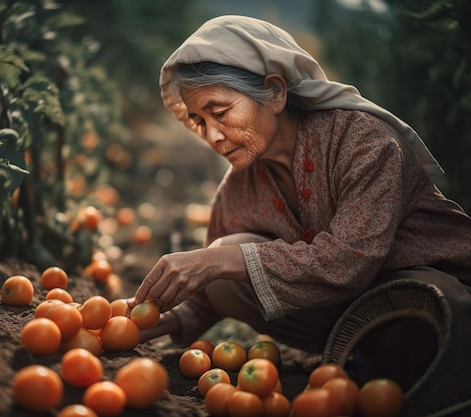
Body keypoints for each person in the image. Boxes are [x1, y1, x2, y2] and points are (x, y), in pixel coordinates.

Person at [127, 15, 471, 415]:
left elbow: (351, 259)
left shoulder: (362, 141)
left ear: (274, 92)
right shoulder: (243, 182)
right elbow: (215, 283)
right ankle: (363, 354)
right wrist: (169, 315)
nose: (213, 136)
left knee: (427, 308)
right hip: (347, 307)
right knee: (227, 255)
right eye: (200, 121)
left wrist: (224, 259)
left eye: (220, 111)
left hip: (430, 292)